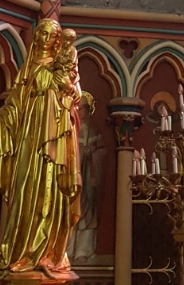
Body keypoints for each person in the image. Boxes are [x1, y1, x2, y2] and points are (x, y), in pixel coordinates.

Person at [0, 19, 81, 277]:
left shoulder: (64, 66)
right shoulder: (27, 69)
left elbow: (75, 97)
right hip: (29, 140)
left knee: (52, 192)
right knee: (23, 192)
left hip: (56, 138)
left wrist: (67, 88)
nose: (45, 38)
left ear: (57, 40)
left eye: (50, 35)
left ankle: (48, 254)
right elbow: (14, 105)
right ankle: (15, 253)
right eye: (42, 33)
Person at [67, 92, 107, 263]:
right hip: (73, 178)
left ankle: (83, 250)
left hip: (88, 176)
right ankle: (67, 250)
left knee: (87, 213)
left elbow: (103, 152)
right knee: (69, 212)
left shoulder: (94, 129)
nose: (80, 110)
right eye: (78, 107)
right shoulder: (71, 127)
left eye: (83, 107)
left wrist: (91, 155)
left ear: (90, 109)